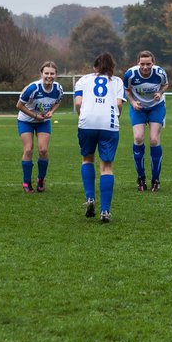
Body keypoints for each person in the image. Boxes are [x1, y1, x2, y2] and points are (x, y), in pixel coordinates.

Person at [74, 52, 125, 223]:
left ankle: (90, 198)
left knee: (87, 159)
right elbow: (118, 104)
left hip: (87, 123)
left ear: (95, 66)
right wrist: (116, 117)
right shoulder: (117, 81)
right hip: (108, 124)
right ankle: (105, 210)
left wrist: (81, 116)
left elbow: (78, 103)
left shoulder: (83, 80)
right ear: (112, 67)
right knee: (107, 167)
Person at [122, 51, 169, 192]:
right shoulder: (130, 75)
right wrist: (132, 102)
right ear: (138, 63)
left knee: (154, 140)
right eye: (142, 64)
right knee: (138, 138)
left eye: (148, 64)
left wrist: (159, 93)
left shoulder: (160, 73)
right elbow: (127, 90)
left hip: (156, 107)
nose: (145, 67)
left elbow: (165, 84)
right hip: (138, 108)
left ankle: (156, 179)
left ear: (153, 63)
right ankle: (141, 177)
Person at [16, 61, 64, 192]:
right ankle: (26, 182)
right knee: (28, 149)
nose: (49, 76)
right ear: (41, 74)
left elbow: (58, 102)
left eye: (52, 73)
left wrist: (51, 112)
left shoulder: (58, 89)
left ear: (56, 75)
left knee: (43, 150)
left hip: (43, 122)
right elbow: (19, 106)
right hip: (26, 121)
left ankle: (41, 179)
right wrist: (35, 115)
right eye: (46, 73)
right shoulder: (33, 88)